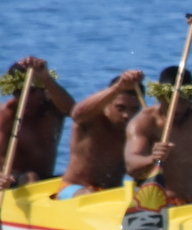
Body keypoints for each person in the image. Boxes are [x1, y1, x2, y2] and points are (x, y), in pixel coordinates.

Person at [123, 6, 192, 206]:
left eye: (185, 99)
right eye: (173, 100)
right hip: (160, 205)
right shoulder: (146, 122)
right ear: (160, 97)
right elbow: (132, 165)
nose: (179, 106)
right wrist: (152, 158)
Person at [0, 56, 74, 189]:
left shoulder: (55, 108)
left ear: (43, 89)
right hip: (13, 179)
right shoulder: (4, 115)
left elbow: (72, 110)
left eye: (31, 91)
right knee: (31, 177)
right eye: (19, 92)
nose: (25, 98)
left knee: (76, 178)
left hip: (45, 178)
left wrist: (46, 78)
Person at [57, 70, 142, 198]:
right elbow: (76, 114)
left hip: (110, 194)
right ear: (108, 104)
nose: (127, 115)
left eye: (134, 109)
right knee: (90, 195)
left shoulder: (138, 130)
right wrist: (118, 88)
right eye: (120, 108)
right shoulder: (92, 119)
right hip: (74, 188)